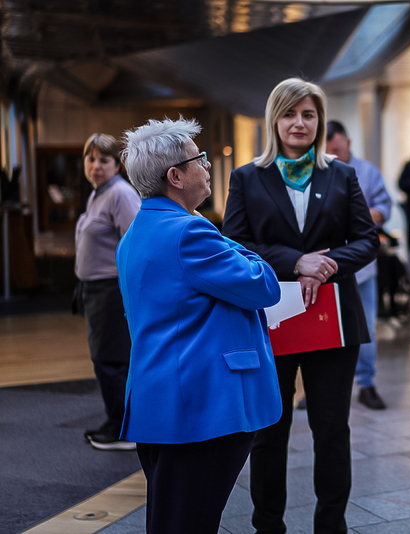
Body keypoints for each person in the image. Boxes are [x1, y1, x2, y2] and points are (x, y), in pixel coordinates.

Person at [222, 78, 379, 534]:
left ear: (320, 121)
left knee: (332, 432)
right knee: (270, 431)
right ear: (275, 119)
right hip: (272, 320)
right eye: (290, 114)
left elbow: (368, 241)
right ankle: (267, 525)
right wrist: (296, 261)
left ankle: (332, 525)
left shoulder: (341, 174)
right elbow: (236, 244)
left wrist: (325, 264)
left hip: (334, 322)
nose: (299, 123)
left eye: (308, 115)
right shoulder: (248, 177)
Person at [116, 117, 283, 534]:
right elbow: (264, 286)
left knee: (172, 517)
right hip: (200, 408)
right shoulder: (190, 231)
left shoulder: (135, 233)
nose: (207, 166)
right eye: (199, 159)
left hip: (159, 402)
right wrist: (242, 247)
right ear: (175, 176)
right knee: (189, 522)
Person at [73, 133, 140, 451]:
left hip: (112, 291)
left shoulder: (121, 195)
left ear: (117, 165)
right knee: (104, 359)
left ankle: (123, 429)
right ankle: (116, 420)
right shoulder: (98, 193)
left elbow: (134, 246)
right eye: (91, 159)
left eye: (104, 160)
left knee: (111, 360)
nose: (96, 165)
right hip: (95, 289)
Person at [326, 119, 392, 410]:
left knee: (366, 327)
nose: (334, 155)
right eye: (328, 150)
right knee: (324, 329)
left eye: (337, 149)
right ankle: (319, 387)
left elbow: (385, 206)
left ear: (347, 142)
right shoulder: (317, 171)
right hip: (326, 265)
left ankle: (367, 383)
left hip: (361, 267)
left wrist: (364, 214)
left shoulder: (366, 172)